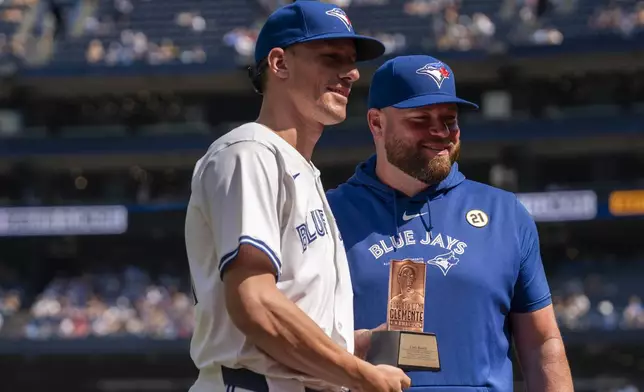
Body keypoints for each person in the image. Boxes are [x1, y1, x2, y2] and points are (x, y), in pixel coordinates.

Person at [184, 2, 411, 392]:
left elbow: (283, 309)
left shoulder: (301, 169)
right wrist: (363, 376)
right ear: (279, 63)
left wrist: (349, 346)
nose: (352, 73)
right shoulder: (249, 151)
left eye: (352, 61)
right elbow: (255, 303)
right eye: (331, 58)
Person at [326, 55, 574, 392]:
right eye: (421, 118)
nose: (440, 132)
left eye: (449, 119)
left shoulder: (505, 213)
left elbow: (542, 343)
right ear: (376, 123)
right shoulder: (327, 213)